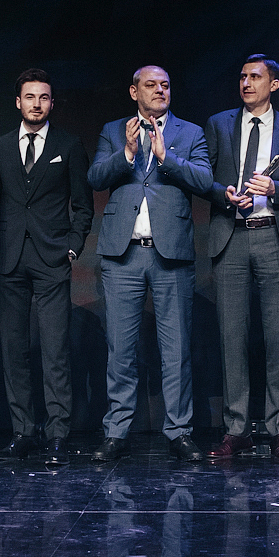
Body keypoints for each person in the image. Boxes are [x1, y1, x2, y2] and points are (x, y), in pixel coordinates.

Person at [87, 65, 214, 462]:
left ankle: (179, 431)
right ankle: (116, 431)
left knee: (176, 350)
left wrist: (165, 158)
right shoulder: (114, 130)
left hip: (171, 253)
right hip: (122, 253)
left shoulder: (189, 133)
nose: (160, 90)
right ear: (134, 91)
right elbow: (96, 177)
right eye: (151, 85)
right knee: (120, 349)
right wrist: (126, 153)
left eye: (165, 85)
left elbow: (204, 182)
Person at [202, 55, 279, 461]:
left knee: (278, 338)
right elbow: (203, 176)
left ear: (274, 85)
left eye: (255, 77)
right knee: (231, 336)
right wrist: (223, 194)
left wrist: (276, 189)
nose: (247, 83)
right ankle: (236, 429)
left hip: (273, 235)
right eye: (243, 76)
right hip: (231, 235)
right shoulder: (219, 124)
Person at [0, 69, 94, 466]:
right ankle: (22, 432)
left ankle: (57, 434)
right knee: (13, 351)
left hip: (52, 259)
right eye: (30, 97)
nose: (37, 104)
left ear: (52, 103)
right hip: (9, 259)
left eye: (44, 97)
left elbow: (83, 204)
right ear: (18, 102)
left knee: (55, 351)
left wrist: (72, 247)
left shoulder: (68, 144)